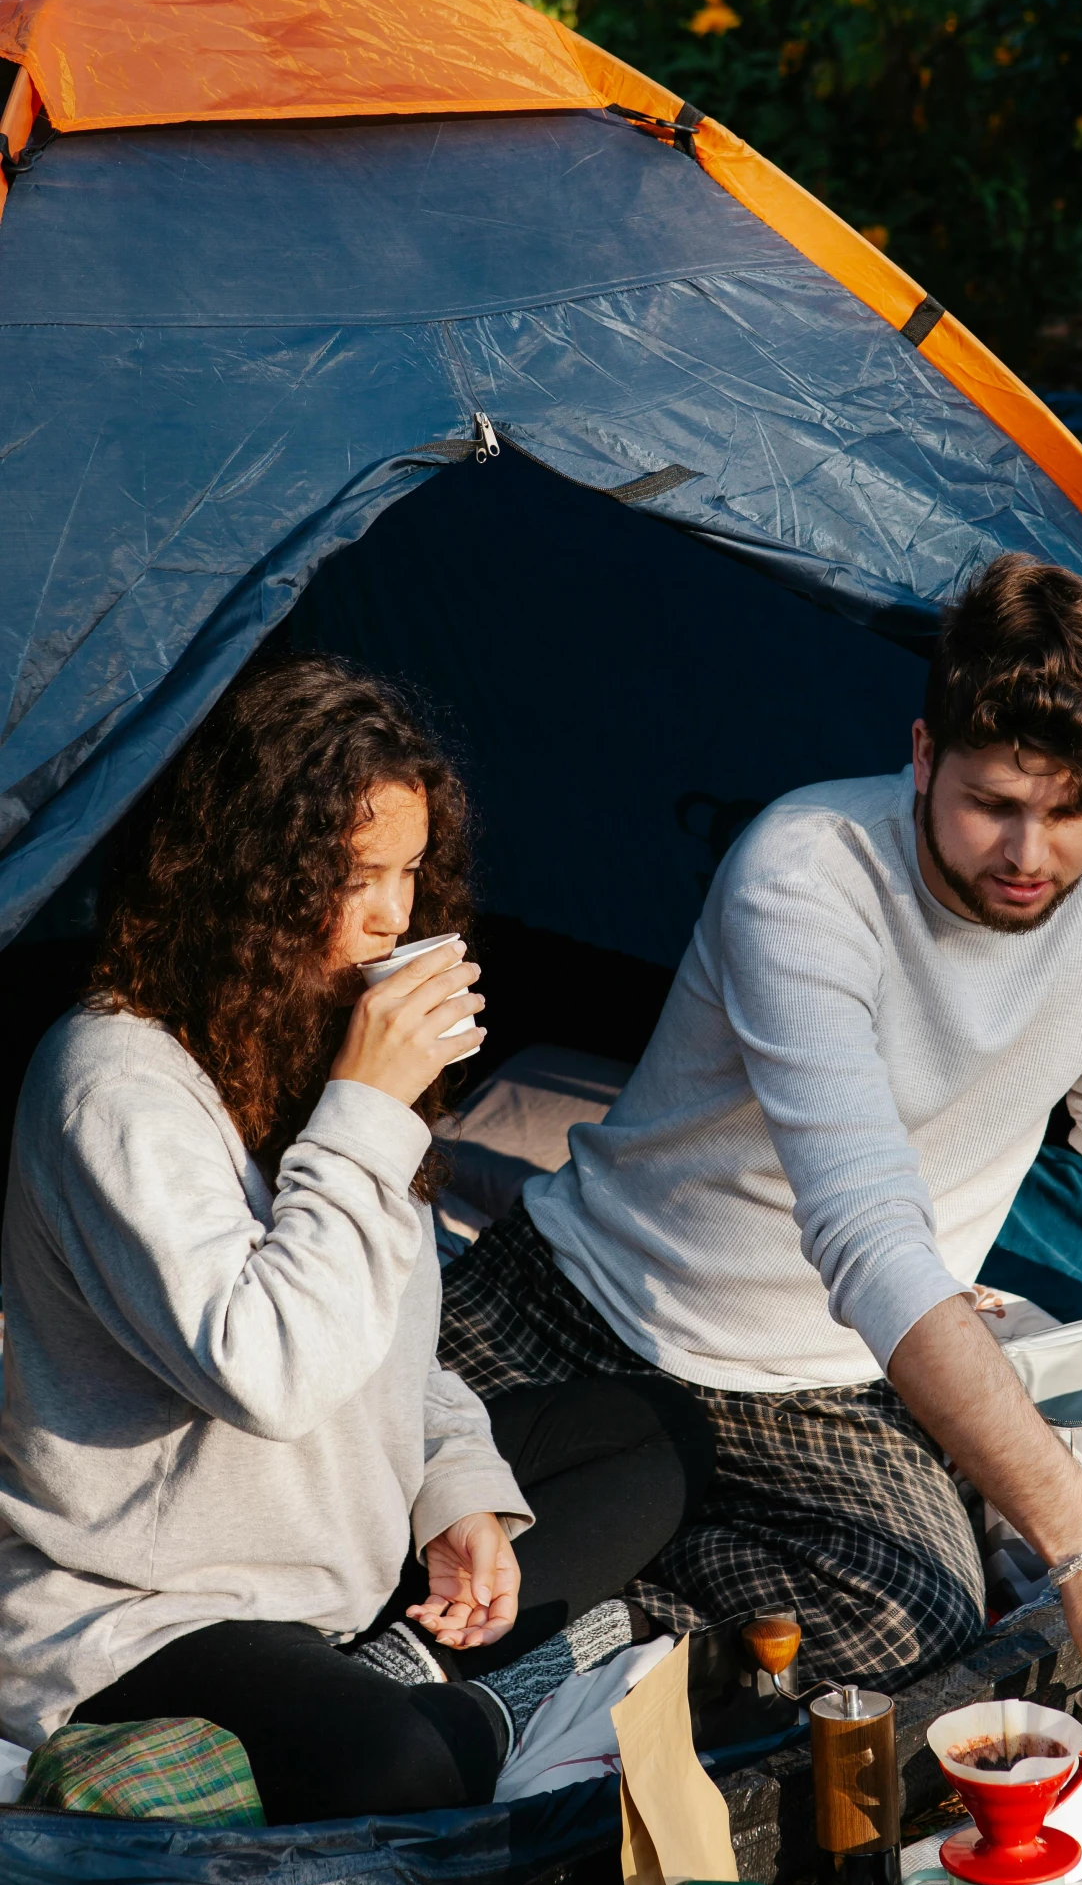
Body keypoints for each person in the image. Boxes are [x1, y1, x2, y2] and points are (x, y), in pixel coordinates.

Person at [439, 556, 1082, 1791]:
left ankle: (595, 1614)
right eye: (990, 803)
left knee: (918, 1627)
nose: (1030, 852)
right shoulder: (804, 870)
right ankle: (593, 1602)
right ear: (921, 752)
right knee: (335, 1511)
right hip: (597, 1308)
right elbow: (864, 1228)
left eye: (1072, 809)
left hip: (823, 1387)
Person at [0, 656, 710, 1824]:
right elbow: (268, 1371)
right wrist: (369, 1109)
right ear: (245, 879)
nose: (393, 915)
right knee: (397, 1773)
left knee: (649, 1434)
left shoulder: (310, 1045)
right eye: (354, 876)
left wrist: (458, 1492)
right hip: (151, 1602)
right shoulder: (113, 1082)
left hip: (339, 1563)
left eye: (411, 873)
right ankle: (479, 1702)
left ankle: (421, 1676)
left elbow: (397, 1341)